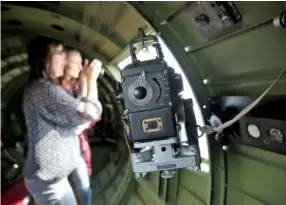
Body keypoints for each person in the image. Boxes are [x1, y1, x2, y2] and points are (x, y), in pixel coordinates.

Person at [22, 36, 102, 205]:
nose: (65, 59)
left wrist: (84, 82)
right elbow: (89, 113)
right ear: (45, 59)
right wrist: (91, 79)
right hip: (49, 182)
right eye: (60, 54)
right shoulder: (44, 90)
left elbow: (78, 111)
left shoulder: (46, 88)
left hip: (56, 178)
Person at [60, 47, 101, 203]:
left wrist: (87, 81)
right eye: (74, 62)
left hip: (79, 155)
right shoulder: (50, 90)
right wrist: (88, 81)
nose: (79, 67)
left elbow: (94, 115)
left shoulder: (76, 88)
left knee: (83, 192)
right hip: (56, 161)